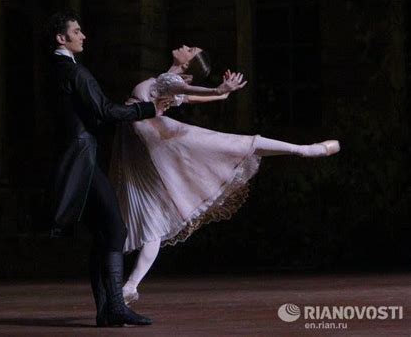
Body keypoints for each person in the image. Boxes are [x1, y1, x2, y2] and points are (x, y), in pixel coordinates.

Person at [112, 45, 340, 304]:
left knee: (232, 145)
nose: (183, 47)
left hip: (155, 141)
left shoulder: (170, 80)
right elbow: (187, 96)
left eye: (189, 49)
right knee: (153, 219)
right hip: (146, 145)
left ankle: (305, 150)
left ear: (187, 64)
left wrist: (218, 91)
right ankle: (131, 285)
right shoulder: (169, 82)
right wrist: (219, 96)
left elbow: (186, 91)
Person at [44, 10, 172, 327]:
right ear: (62, 39)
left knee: (104, 233)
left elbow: (95, 114)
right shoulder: (76, 73)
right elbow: (104, 110)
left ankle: (107, 309)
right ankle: (113, 306)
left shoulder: (57, 71)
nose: (83, 35)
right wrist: (148, 109)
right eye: (76, 31)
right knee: (114, 229)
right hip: (81, 161)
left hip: (76, 158)